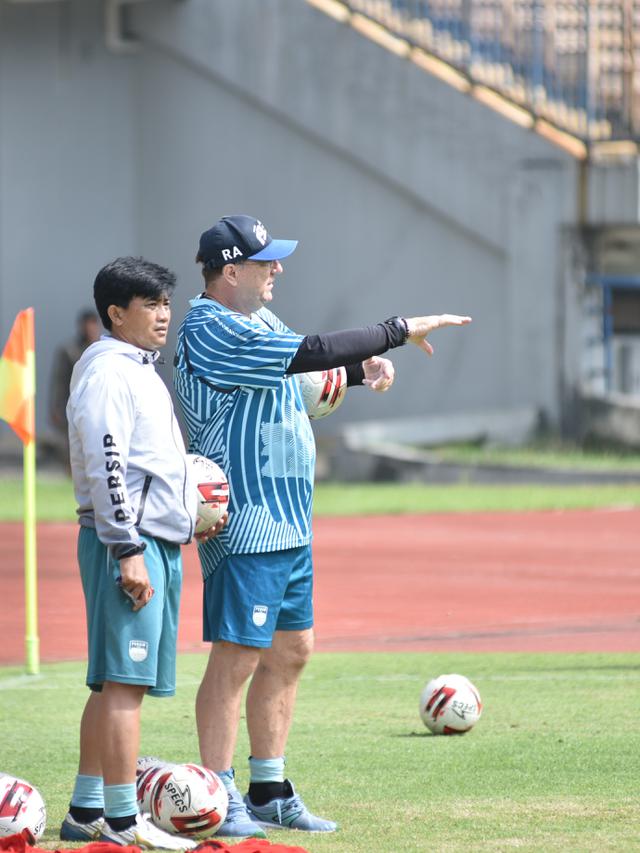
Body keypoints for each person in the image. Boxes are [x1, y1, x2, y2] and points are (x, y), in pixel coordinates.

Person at [173, 215, 472, 838]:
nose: (277, 268)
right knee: (236, 659)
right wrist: (394, 332)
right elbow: (309, 353)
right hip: (247, 521)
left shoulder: (259, 319)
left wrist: (360, 374)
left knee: (292, 651)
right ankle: (218, 791)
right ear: (231, 271)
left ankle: (269, 788)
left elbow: (301, 380)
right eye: (265, 261)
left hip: (290, 518)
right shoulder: (208, 326)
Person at [60, 257, 225, 851]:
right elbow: (108, 468)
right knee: (124, 686)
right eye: (150, 305)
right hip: (125, 546)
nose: (163, 315)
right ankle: (124, 822)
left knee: (111, 685)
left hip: (149, 539)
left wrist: (182, 517)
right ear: (115, 313)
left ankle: (85, 812)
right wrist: (128, 548)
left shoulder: (135, 367)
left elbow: (145, 465)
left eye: (164, 303)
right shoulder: (108, 371)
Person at [48, 308, 100, 468]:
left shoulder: (103, 349)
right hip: (73, 406)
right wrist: (56, 407)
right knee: (72, 448)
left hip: (97, 406)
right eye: (87, 324)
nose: (90, 329)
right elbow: (59, 380)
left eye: (93, 324)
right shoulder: (69, 350)